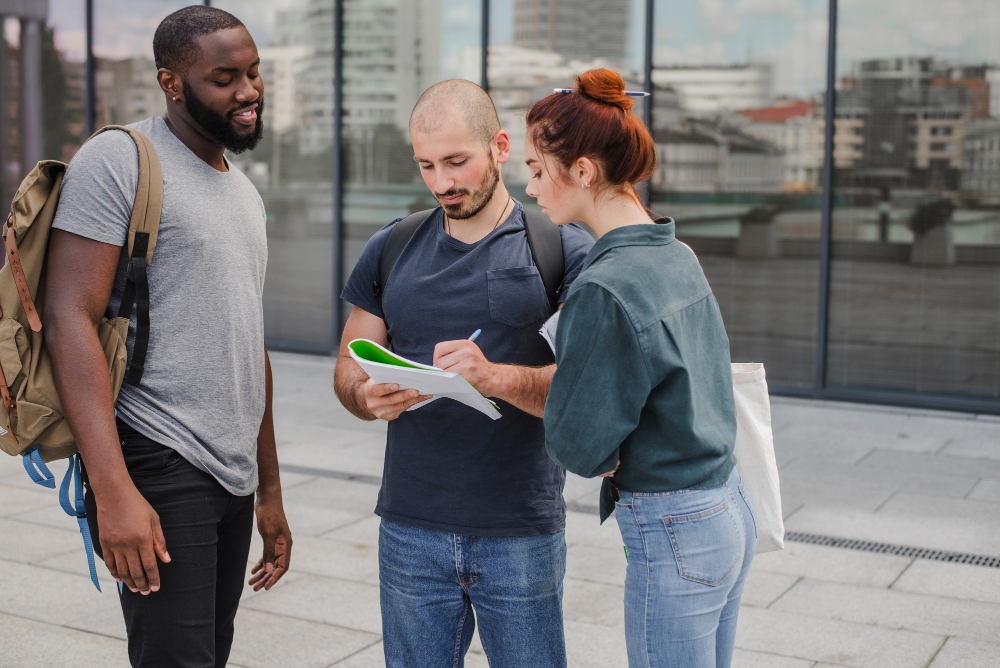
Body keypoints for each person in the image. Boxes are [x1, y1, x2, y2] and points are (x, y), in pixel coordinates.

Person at [44, 7, 291, 667]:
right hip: (158, 459)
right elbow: (70, 315)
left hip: (231, 472)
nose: (249, 91)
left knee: (209, 653)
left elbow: (250, 342)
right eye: (225, 78)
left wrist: (268, 488)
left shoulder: (242, 192)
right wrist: (114, 488)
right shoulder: (120, 158)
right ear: (172, 82)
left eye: (254, 73)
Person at [333, 79, 594, 667]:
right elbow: (349, 366)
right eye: (426, 165)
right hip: (409, 527)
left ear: (500, 147)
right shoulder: (392, 247)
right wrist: (366, 394)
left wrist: (496, 377)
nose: (442, 183)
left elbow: (584, 391)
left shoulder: (560, 250)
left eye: (457, 161)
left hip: (519, 529)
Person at [527, 69, 756, 668]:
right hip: (729, 504)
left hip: (675, 523)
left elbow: (577, 445)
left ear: (582, 171)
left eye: (534, 169)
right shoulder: (674, 250)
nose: (529, 188)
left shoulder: (605, 286)